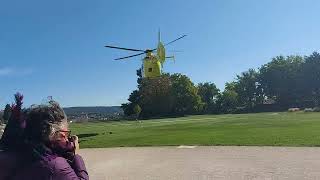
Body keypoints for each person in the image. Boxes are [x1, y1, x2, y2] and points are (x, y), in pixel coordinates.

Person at [0, 93, 89, 180]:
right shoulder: (55, 165)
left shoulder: (10, 153)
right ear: (55, 133)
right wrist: (76, 155)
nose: (66, 139)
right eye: (65, 135)